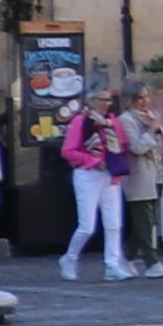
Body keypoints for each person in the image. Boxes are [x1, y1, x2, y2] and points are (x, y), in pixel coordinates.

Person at [55, 91, 138, 278]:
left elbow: (122, 145)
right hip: (88, 175)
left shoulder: (112, 121)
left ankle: (112, 265)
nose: (106, 104)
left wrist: (116, 162)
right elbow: (68, 151)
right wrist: (92, 161)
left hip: (110, 175)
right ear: (91, 101)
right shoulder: (81, 121)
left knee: (114, 224)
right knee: (87, 226)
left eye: (109, 100)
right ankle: (69, 258)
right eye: (102, 100)